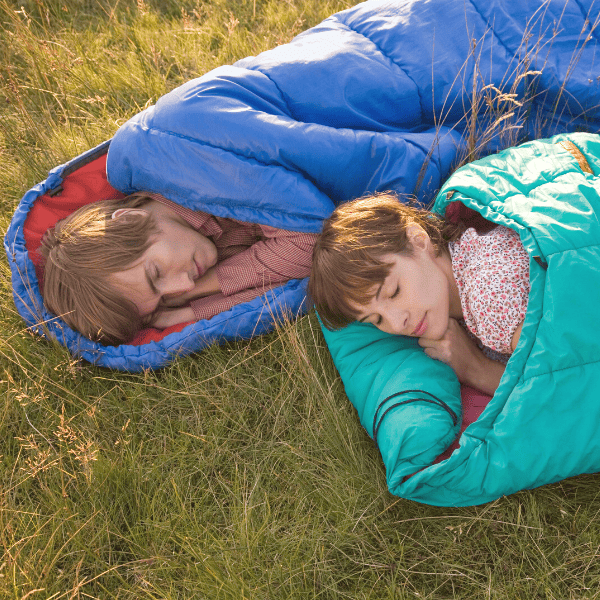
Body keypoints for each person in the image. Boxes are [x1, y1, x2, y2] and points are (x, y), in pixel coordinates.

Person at [308, 193, 529, 395]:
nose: (396, 325)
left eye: (394, 292)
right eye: (377, 320)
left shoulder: (489, 298)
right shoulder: (463, 258)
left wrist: (476, 369)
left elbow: (558, 390)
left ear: (418, 239)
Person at [40, 191, 318, 345]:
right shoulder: (186, 243)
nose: (185, 287)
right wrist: (187, 312)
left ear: (129, 221)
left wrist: (211, 283)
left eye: (156, 274)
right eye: (163, 299)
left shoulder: (200, 186)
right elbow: (287, 288)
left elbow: (312, 239)